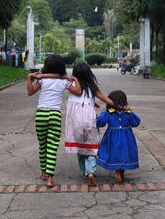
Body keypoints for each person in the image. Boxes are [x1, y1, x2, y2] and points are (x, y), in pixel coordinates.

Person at [27, 55, 82, 188]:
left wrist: (29, 78)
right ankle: (50, 179)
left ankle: (43, 172)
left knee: (43, 145)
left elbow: (30, 92)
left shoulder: (42, 80)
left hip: (41, 114)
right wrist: (75, 79)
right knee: (52, 147)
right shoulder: (64, 81)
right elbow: (78, 91)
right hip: (55, 115)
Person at [65, 61, 114, 187]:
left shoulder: (71, 84)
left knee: (80, 145)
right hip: (89, 119)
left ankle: (84, 171)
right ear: (89, 73)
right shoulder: (92, 86)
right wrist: (119, 105)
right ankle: (91, 171)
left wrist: (71, 78)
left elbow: (61, 79)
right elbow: (104, 98)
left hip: (75, 120)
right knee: (91, 146)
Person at [96, 90, 141, 182]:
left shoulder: (126, 113)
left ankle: (119, 172)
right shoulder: (110, 113)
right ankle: (118, 172)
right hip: (122, 138)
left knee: (118, 155)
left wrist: (130, 111)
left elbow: (136, 122)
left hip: (119, 138)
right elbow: (100, 122)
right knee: (121, 155)